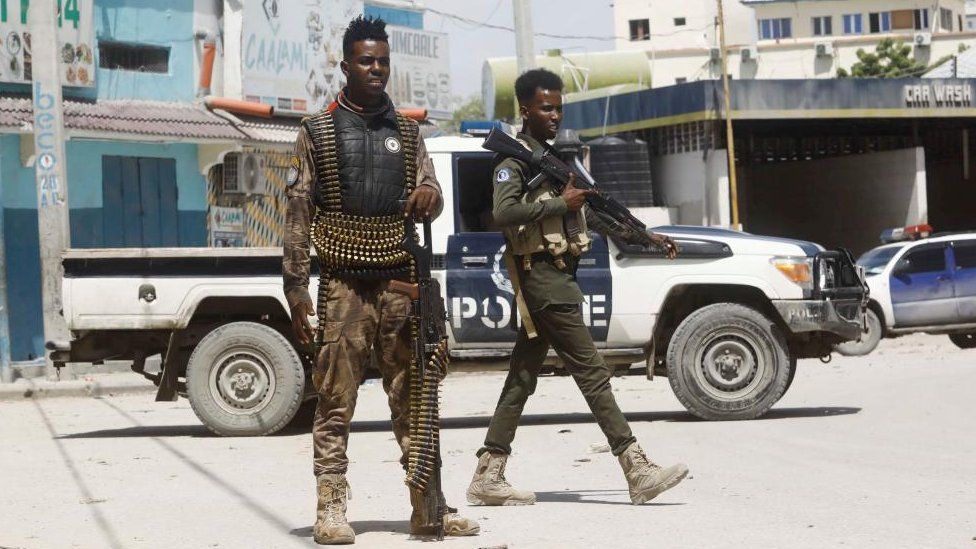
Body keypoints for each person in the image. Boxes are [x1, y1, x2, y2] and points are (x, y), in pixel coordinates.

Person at [282, 16, 479, 545]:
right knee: (334, 398)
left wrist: (429, 200)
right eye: (367, 61)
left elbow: (430, 190)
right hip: (344, 286)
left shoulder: (408, 132)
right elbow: (298, 210)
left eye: (383, 61)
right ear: (345, 66)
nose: (376, 69)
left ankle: (428, 505)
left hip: (399, 283)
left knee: (415, 396)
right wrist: (296, 287)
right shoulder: (317, 132)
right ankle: (331, 505)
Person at [466, 68, 688, 507]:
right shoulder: (512, 162)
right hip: (543, 280)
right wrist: (558, 201)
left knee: (522, 377)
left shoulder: (549, 160)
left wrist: (646, 237)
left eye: (558, 108)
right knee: (592, 373)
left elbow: (593, 216)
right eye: (546, 108)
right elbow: (503, 214)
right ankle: (636, 468)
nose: (554, 115)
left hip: (557, 278)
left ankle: (488, 474)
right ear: (525, 110)